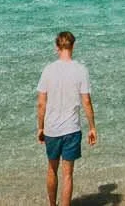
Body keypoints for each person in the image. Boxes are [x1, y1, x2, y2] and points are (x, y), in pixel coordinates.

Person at [35, 29, 98, 206]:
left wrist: (40, 127)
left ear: (57, 47)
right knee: (68, 174)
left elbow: (41, 103)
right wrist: (92, 127)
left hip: (52, 130)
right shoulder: (81, 70)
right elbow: (86, 101)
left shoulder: (48, 70)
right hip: (72, 129)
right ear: (73, 46)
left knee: (52, 169)